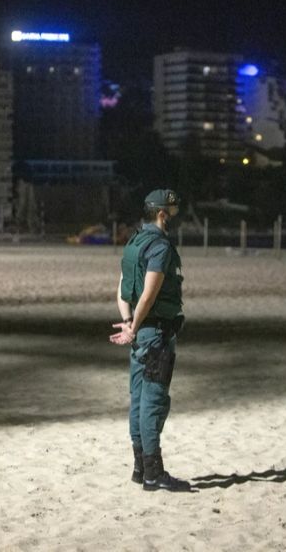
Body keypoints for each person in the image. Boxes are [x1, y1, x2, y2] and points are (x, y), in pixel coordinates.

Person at [109, 189, 190, 492]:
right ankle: (154, 474)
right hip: (156, 334)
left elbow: (122, 289)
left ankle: (140, 468)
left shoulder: (134, 243)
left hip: (140, 334)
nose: (175, 216)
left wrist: (129, 322)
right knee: (154, 401)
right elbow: (150, 293)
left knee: (139, 399)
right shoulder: (160, 246)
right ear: (161, 213)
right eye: (173, 211)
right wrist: (136, 324)